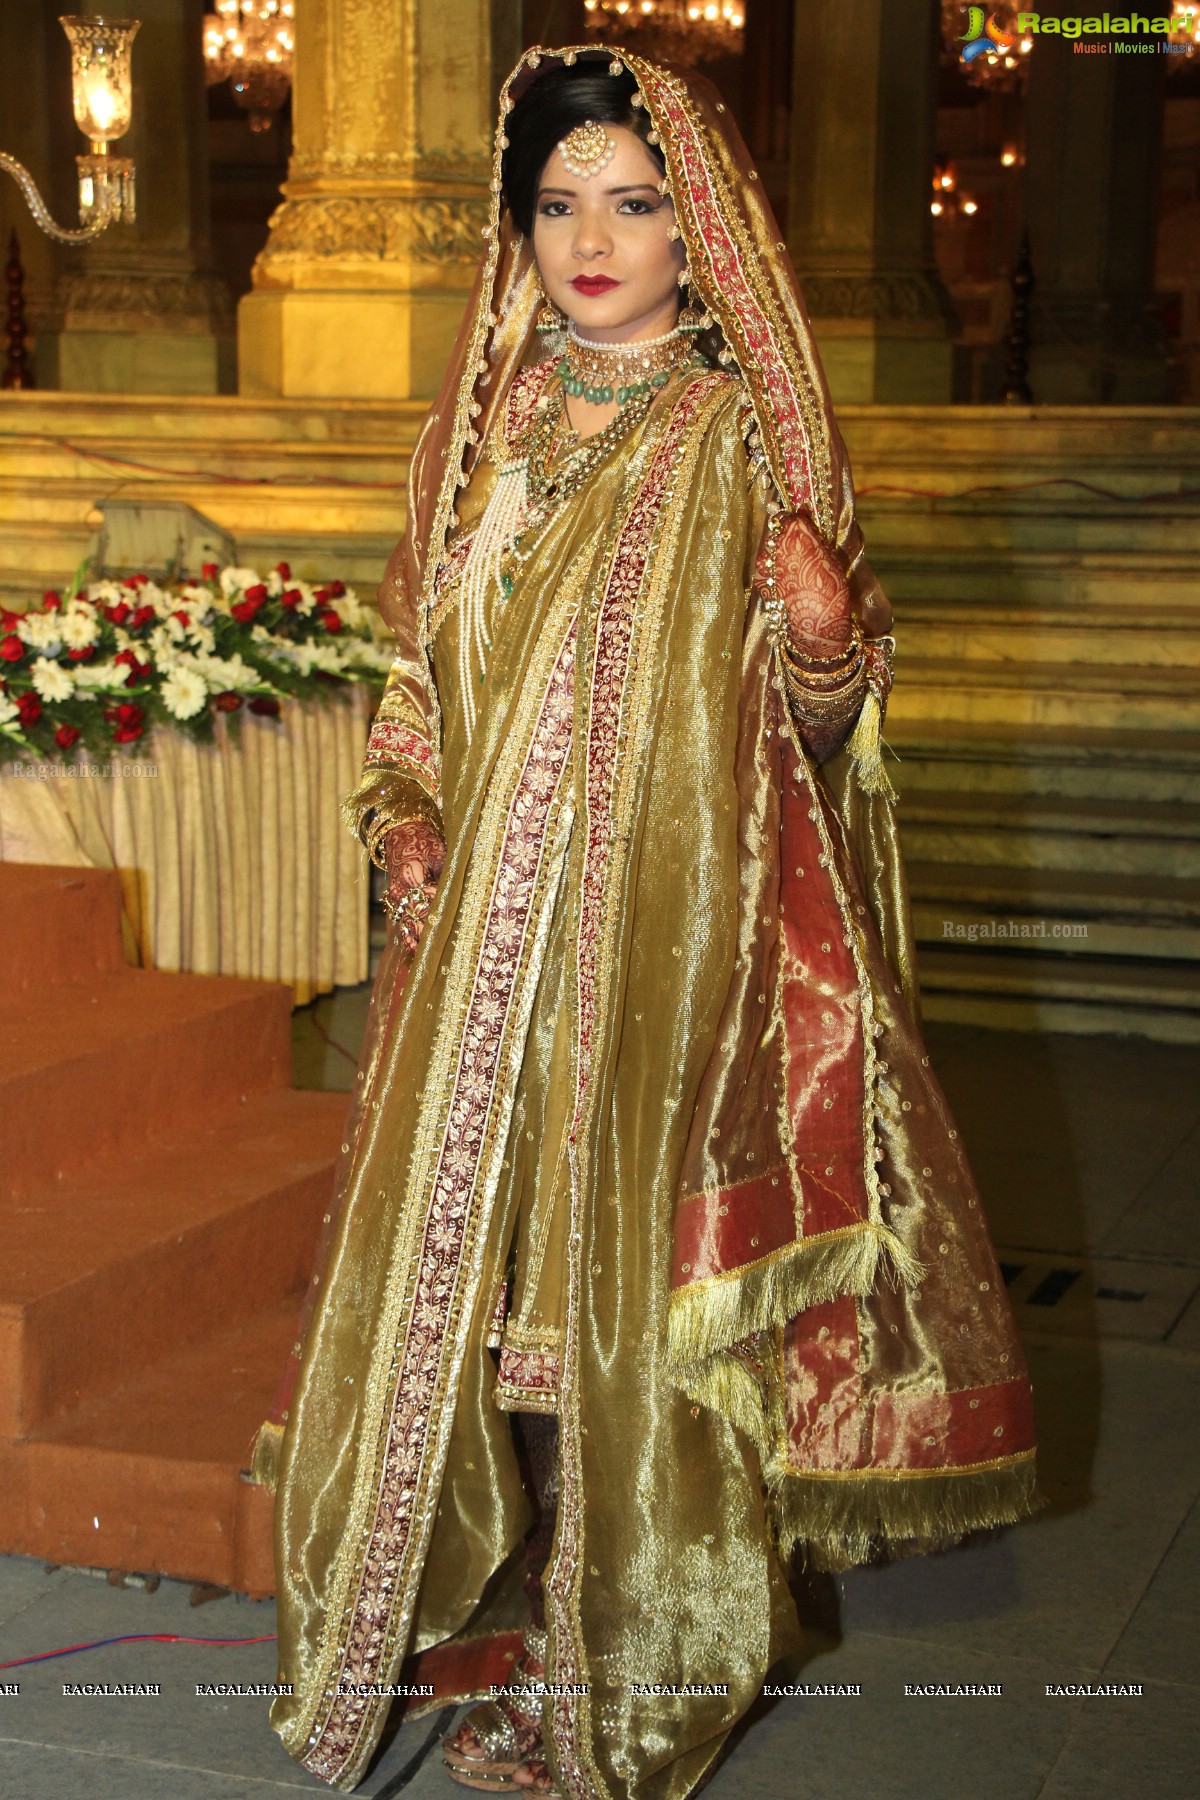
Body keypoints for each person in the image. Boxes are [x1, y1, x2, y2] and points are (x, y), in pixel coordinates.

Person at [251, 43, 1041, 1800]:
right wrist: (403, 821)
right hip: (476, 973)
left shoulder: (745, 430)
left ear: (704, 227)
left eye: (635, 200)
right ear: (517, 229)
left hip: (664, 958)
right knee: (487, 1320)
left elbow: (825, 736)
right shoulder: (482, 427)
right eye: (557, 205)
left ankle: (639, 1694)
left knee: (638, 1332)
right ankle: (505, 1645)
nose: (591, 239)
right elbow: (412, 682)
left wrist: (831, 632)